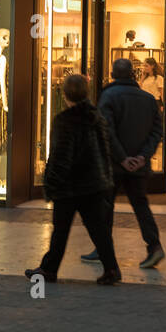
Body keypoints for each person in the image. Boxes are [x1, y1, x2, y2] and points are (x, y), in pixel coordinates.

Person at [25, 74, 122, 286]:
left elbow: (61, 156)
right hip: (94, 184)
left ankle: (49, 269)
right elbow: (106, 151)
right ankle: (111, 268)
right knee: (98, 229)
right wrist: (106, 178)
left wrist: (51, 184)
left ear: (65, 94)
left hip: (70, 186)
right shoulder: (96, 117)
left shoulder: (64, 121)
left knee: (60, 230)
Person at [92, 58, 166, 269]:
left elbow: (107, 131)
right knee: (141, 206)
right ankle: (154, 245)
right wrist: (143, 156)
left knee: (106, 206)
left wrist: (122, 158)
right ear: (133, 74)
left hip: (115, 164)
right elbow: (156, 131)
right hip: (139, 164)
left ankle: (103, 248)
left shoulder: (108, 96)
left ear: (113, 74)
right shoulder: (148, 99)